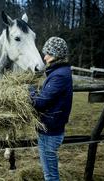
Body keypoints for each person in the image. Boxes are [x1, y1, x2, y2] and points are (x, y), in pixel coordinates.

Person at [29, 36, 73, 181]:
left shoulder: (59, 76)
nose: (44, 55)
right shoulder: (58, 72)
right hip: (50, 128)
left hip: (50, 131)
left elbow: (40, 103)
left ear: (56, 55)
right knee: (49, 173)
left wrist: (30, 91)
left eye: (48, 52)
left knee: (51, 175)